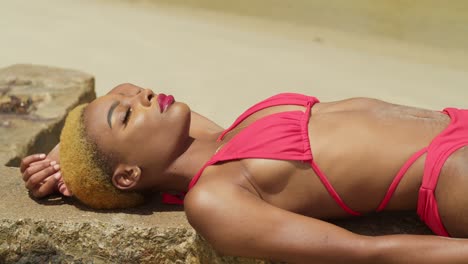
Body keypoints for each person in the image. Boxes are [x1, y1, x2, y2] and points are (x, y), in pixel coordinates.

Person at [20, 83, 468, 263]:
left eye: (136, 91)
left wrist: (61, 154)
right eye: (126, 113)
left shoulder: (220, 135)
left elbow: (101, 143)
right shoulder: (217, 197)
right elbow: (364, 253)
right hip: (450, 173)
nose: (144, 94)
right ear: (128, 176)